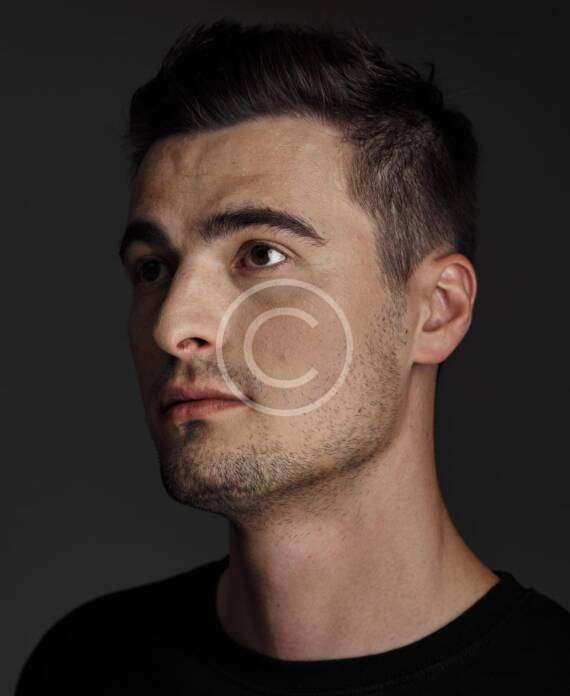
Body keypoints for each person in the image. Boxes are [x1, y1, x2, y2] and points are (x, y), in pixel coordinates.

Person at [16, 18, 569, 695]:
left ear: (437, 310)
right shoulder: (84, 668)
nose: (172, 326)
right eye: (153, 267)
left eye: (262, 254)